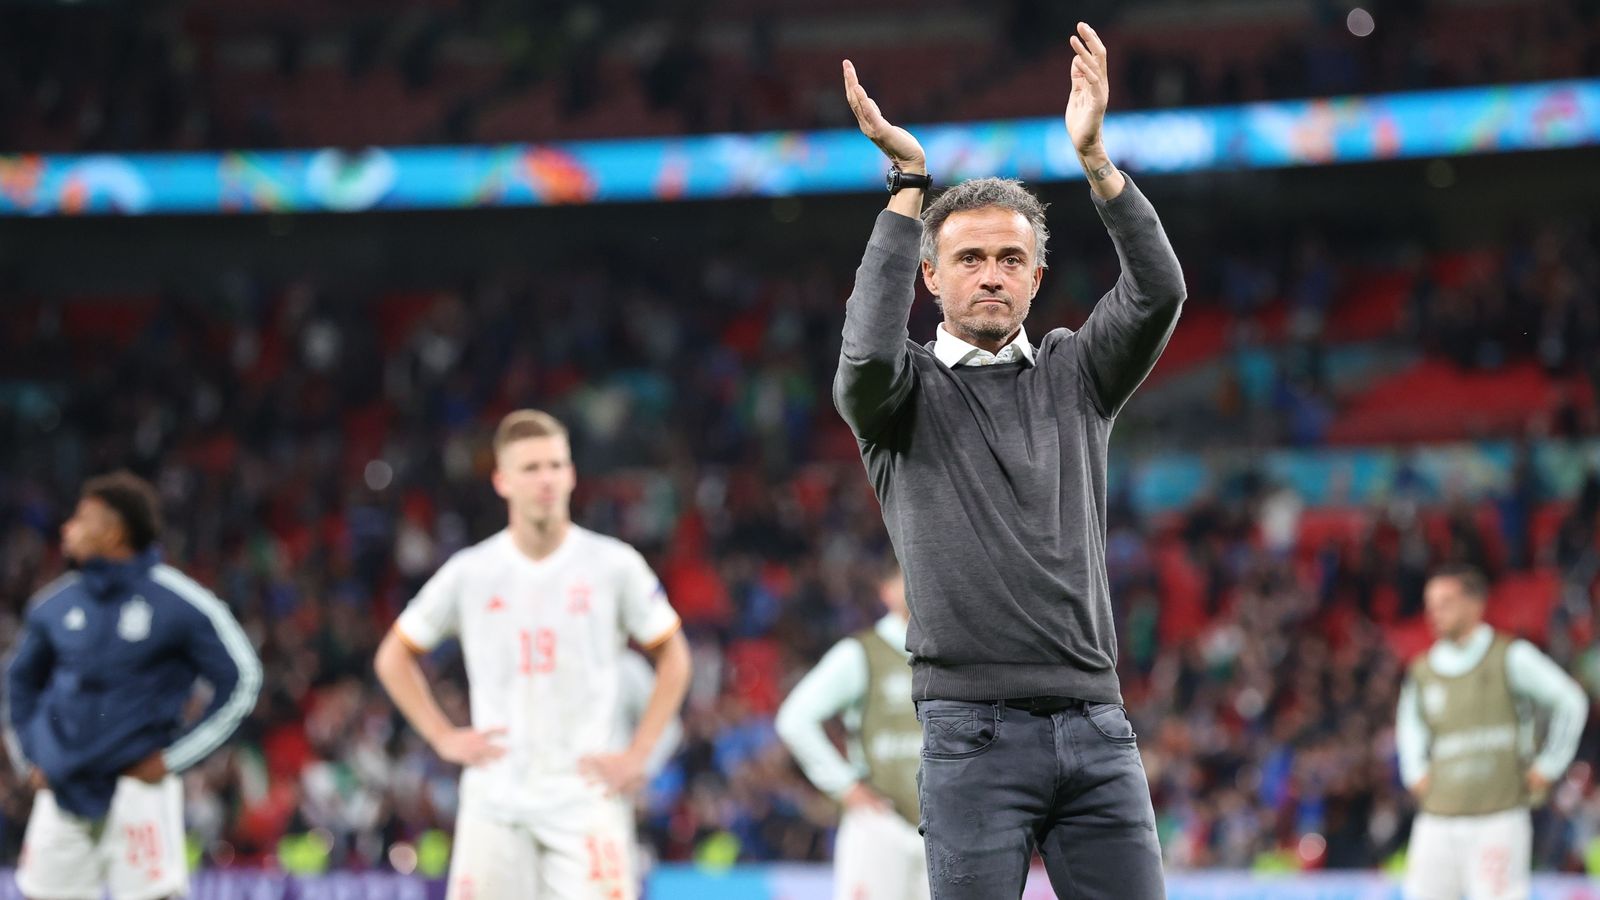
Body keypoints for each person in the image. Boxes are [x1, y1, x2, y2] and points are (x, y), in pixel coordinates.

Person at [833, 22, 1184, 898]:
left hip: (1100, 729)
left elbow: (1158, 292)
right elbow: (866, 356)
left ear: (1034, 279)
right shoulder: (898, 396)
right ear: (931, 278)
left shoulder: (1078, 372)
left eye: (1010, 259)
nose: (990, 274)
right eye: (970, 258)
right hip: (968, 736)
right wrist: (908, 189)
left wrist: (1098, 162)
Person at [374, 409, 691, 900]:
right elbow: (393, 656)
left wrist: (640, 754)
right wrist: (442, 737)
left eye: (556, 466)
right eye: (531, 468)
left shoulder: (613, 565)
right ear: (502, 481)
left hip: (585, 799)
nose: (546, 480)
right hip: (495, 802)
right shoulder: (471, 572)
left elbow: (675, 657)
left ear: (571, 474)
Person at [5, 471, 262, 900]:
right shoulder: (53, 606)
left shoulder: (180, 601)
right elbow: (17, 682)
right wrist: (31, 757)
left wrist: (175, 758)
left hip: (138, 791)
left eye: (82, 518)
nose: (67, 528)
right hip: (62, 789)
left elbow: (243, 678)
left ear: (115, 530)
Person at [1396, 564, 1588, 900]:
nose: (1434, 613)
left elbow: (1571, 701)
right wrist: (1414, 772)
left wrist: (1550, 764)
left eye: (1445, 603)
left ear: (1475, 605)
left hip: (1498, 816)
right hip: (1438, 817)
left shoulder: (1510, 656)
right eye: (1430, 605)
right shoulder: (1422, 671)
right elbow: (1409, 728)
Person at [776, 561, 925, 900]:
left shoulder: (954, 650)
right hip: (882, 825)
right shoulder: (862, 652)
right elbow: (794, 718)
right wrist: (844, 785)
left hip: (947, 826)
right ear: (886, 591)